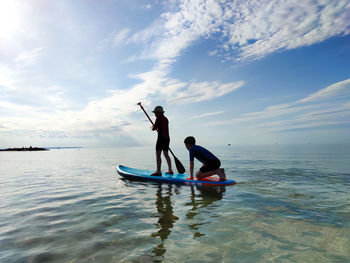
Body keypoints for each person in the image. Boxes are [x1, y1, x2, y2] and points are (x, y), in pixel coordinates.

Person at [151, 106, 173, 176]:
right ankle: (170, 170)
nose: (154, 114)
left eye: (155, 113)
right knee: (166, 154)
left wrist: (153, 127)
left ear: (158, 113)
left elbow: (154, 128)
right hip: (167, 139)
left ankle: (158, 171)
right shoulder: (166, 119)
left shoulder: (158, 118)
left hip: (161, 138)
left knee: (158, 155)